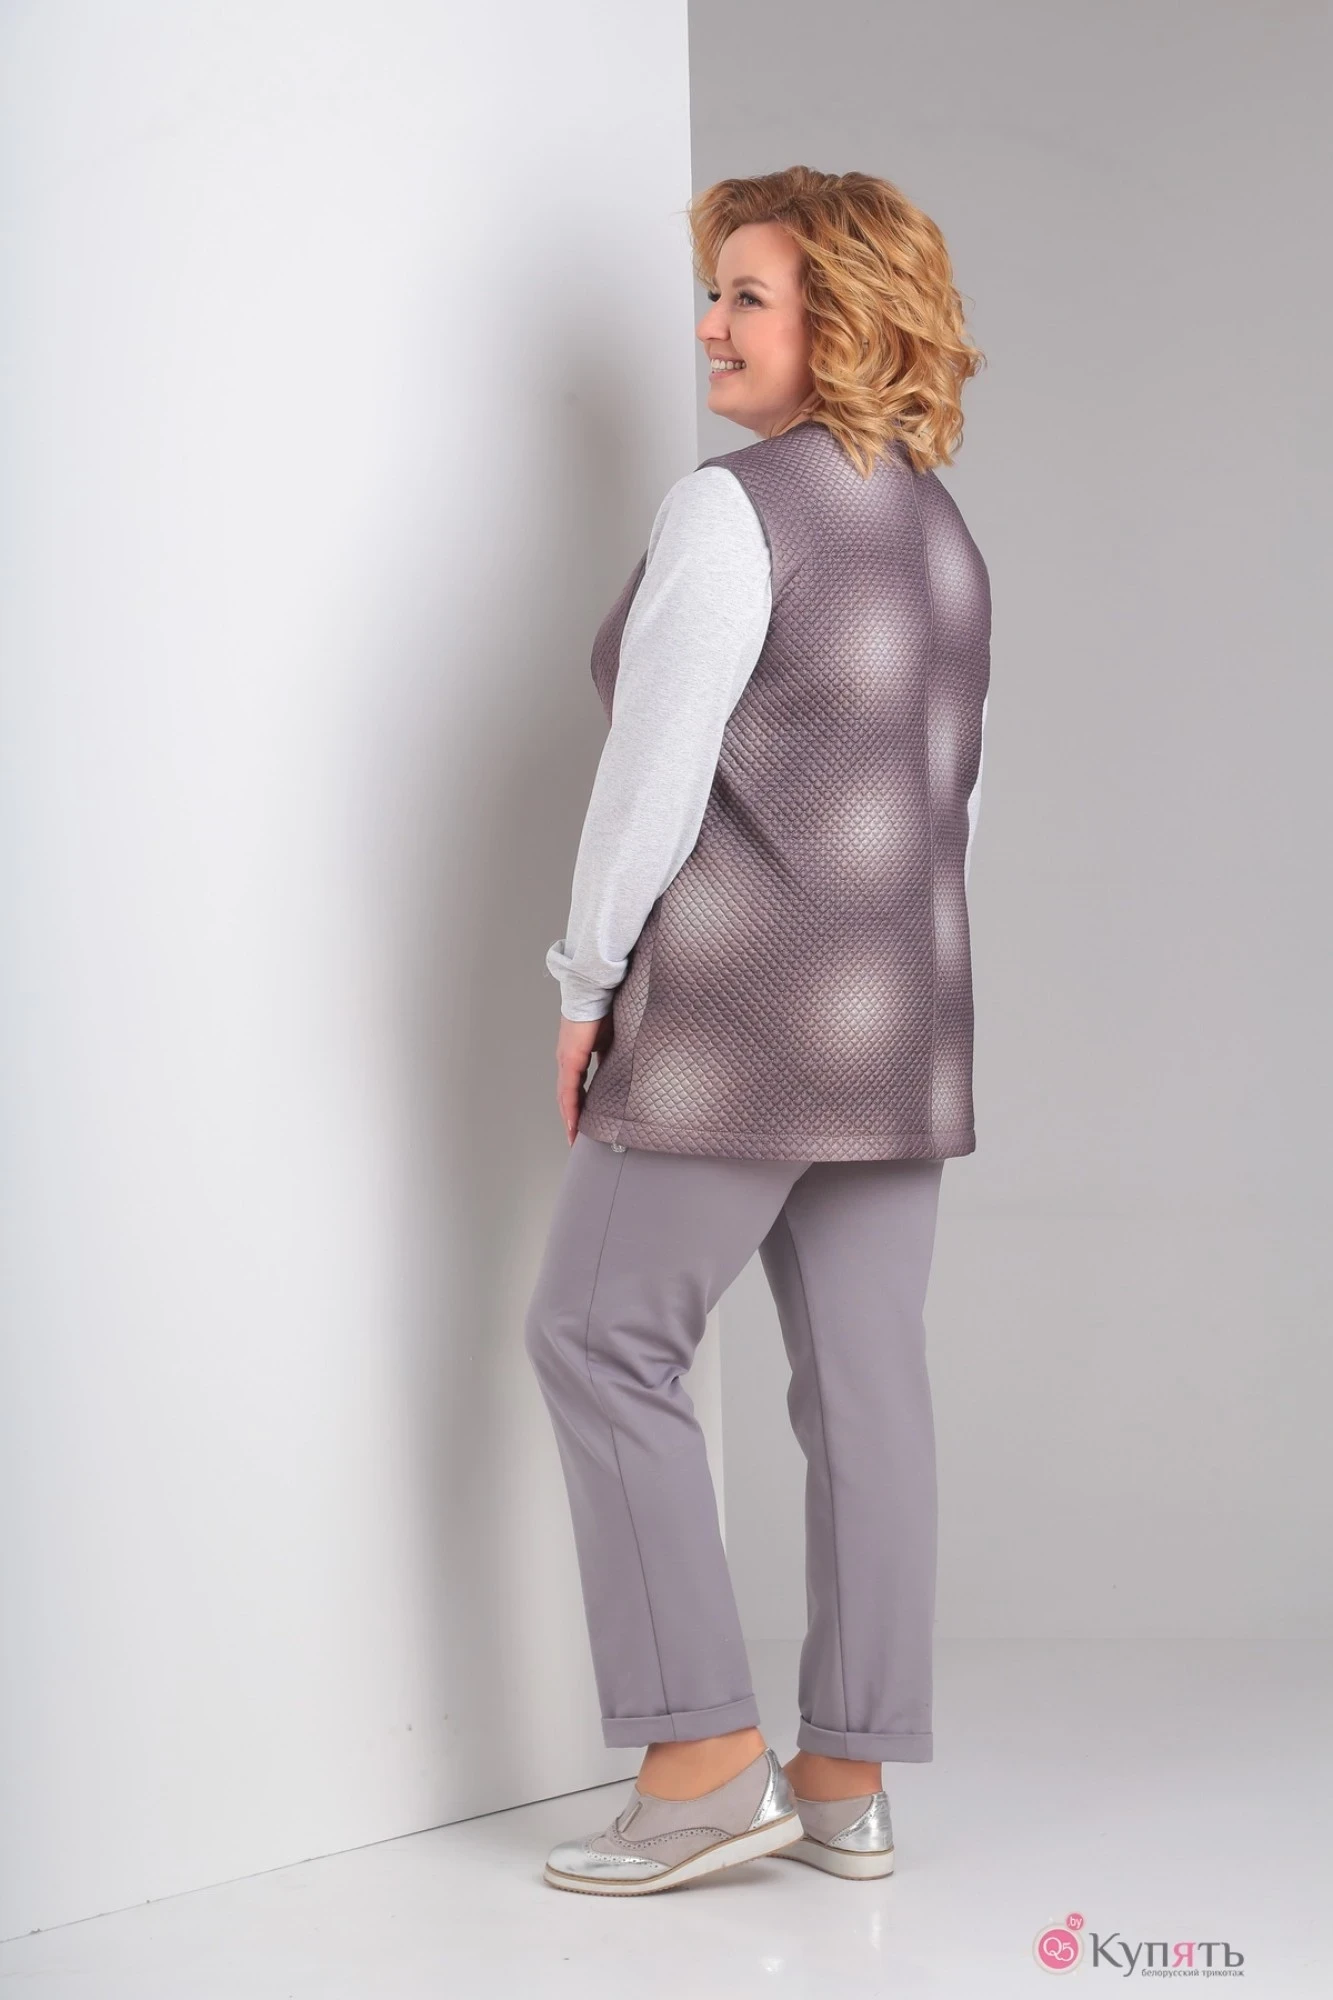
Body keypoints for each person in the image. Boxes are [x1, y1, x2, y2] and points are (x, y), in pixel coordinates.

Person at [525, 165, 991, 1896]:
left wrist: (585, 985)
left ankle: (704, 1766)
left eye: (747, 296)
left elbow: (650, 783)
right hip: (904, 1021)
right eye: (714, 291)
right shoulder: (947, 536)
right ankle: (847, 1782)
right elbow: (956, 801)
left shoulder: (733, 512)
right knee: (868, 1391)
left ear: (841, 321)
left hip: (738, 1021)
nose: (710, 326)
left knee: (597, 1340)